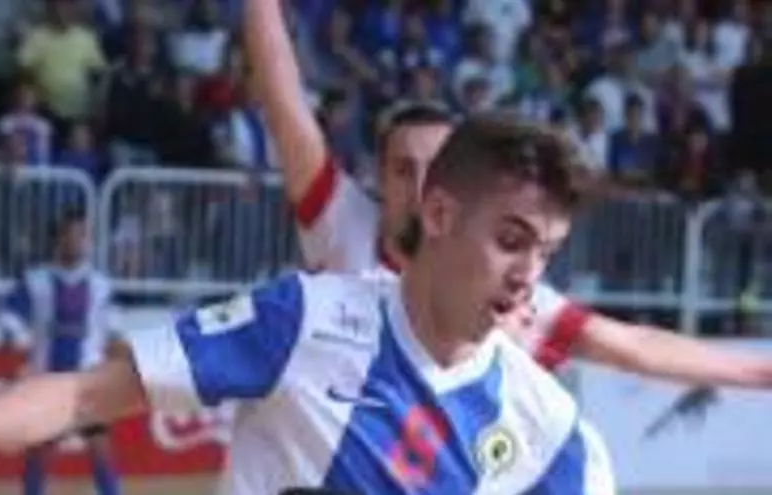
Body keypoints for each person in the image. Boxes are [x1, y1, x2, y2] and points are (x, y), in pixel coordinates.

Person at [0, 115, 614, 493]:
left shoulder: (550, 428)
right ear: (441, 213)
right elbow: (88, 394)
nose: (529, 274)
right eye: (511, 240)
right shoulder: (306, 320)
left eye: (546, 252)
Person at [244, 0, 772, 385]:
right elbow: (284, 100)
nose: (421, 185)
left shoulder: (506, 294)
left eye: (435, 169)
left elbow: (634, 344)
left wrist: (760, 371)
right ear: (379, 178)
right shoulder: (341, 221)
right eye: (404, 169)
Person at [0, 210, 121, 495]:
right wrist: (10, 337)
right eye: (69, 234)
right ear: (57, 238)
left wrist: (117, 360)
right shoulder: (36, 280)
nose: (75, 241)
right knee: (40, 451)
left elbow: (114, 328)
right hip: (48, 381)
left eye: (81, 235)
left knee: (100, 448)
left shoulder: (100, 285)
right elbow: (10, 315)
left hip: (88, 382)